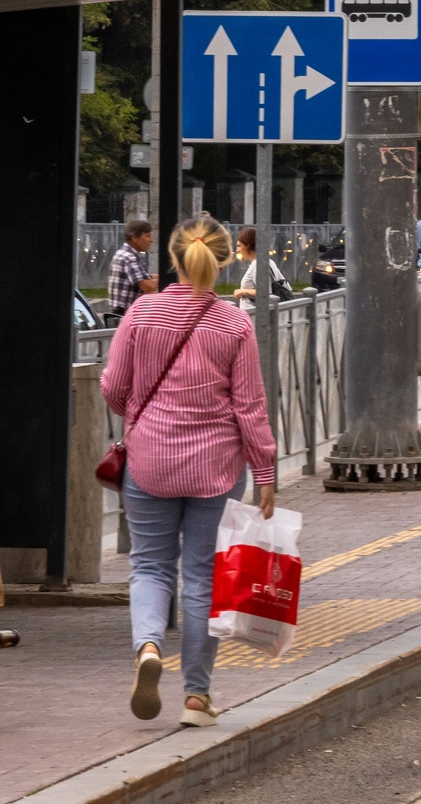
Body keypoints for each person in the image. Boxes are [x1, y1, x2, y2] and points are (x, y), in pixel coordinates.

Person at [100, 216, 276, 729]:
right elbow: (250, 406)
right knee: (203, 577)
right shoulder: (233, 323)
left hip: (149, 460)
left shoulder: (142, 311)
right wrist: (264, 470)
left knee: (151, 567)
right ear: (223, 260)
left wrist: (139, 413)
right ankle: (197, 697)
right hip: (218, 468)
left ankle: (149, 646)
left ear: (173, 258)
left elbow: (112, 387)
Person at [105, 221, 158, 323]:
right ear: (134, 238)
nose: (151, 240)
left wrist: (150, 277)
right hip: (128, 316)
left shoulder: (124, 253)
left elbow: (135, 279)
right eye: (147, 236)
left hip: (121, 314)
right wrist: (162, 279)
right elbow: (148, 287)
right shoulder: (129, 257)